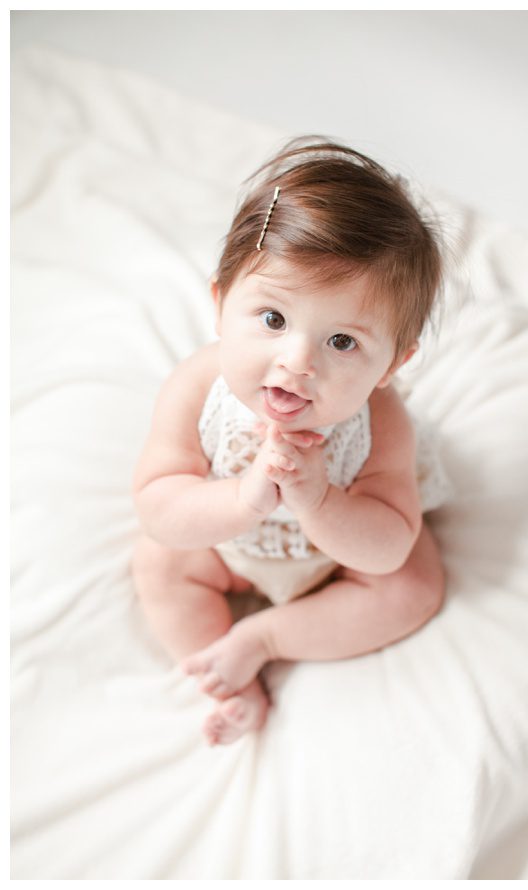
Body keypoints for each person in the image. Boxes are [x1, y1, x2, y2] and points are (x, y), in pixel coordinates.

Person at [131, 137, 448, 746]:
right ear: (221, 305)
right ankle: (230, 680)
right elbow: (158, 504)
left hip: (334, 562)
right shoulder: (199, 387)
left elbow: (386, 548)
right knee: (159, 562)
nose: (298, 361)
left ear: (391, 366)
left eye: (343, 342)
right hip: (226, 546)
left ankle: (264, 638)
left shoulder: (381, 421)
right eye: (273, 320)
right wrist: (244, 502)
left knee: (413, 586)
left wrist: (318, 500)